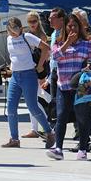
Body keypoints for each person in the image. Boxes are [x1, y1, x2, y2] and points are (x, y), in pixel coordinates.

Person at [46, 13, 91, 161]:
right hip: (63, 86)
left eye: (75, 26)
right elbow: (54, 58)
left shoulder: (88, 43)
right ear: (65, 28)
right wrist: (67, 43)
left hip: (83, 87)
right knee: (61, 116)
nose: (72, 28)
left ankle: (83, 149)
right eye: (69, 26)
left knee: (83, 118)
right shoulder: (58, 42)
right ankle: (58, 149)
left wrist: (90, 65)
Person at [1, 17, 55, 148]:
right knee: (11, 108)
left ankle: (49, 132)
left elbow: (46, 47)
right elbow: (14, 56)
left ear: (20, 28)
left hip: (28, 74)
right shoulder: (8, 39)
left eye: (15, 30)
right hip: (15, 76)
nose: (13, 33)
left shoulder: (28, 37)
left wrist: (41, 65)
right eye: (11, 31)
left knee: (32, 106)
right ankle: (14, 138)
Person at [23, 11, 51, 140]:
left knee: (36, 97)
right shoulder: (27, 35)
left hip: (40, 68)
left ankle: (42, 124)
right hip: (31, 68)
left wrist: (40, 68)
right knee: (32, 99)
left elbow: (44, 54)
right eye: (30, 22)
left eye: (34, 21)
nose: (32, 24)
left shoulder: (41, 35)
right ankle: (34, 128)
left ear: (38, 21)